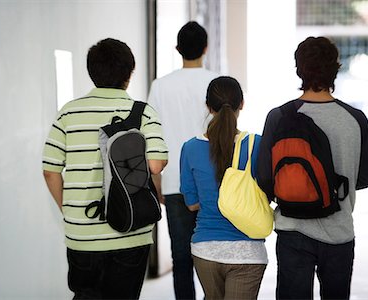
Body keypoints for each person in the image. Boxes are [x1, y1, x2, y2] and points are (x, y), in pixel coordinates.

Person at [42, 38, 168, 299]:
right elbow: (155, 165)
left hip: (82, 231)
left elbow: (50, 170)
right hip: (131, 230)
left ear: (92, 72)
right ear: (129, 74)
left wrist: (68, 209)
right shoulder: (143, 113)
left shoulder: (69, 113)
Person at [257, 36, 368, 300]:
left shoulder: (279, 116)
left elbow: (264, 177)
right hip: (339, 231)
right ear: (336, 68)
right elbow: (367, 177)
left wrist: (296, 187)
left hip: (292, 228)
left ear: (299, 69)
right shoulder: (355, 119)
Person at [146, 21, 218, 299]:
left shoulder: (160, 86)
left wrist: (156, 181)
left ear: (177, 49)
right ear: (206, 48)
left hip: (175, 181)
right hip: (213, 181)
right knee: (214, 253)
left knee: (181, 257)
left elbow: (152, 136)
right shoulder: (217, 80)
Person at [180, 76, 268, 300]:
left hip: (205, 250)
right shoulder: (255, 144)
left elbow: (191, 204)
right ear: (242, 104)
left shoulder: (189, 148)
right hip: (247, 253)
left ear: (208, 107)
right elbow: (268, 193)